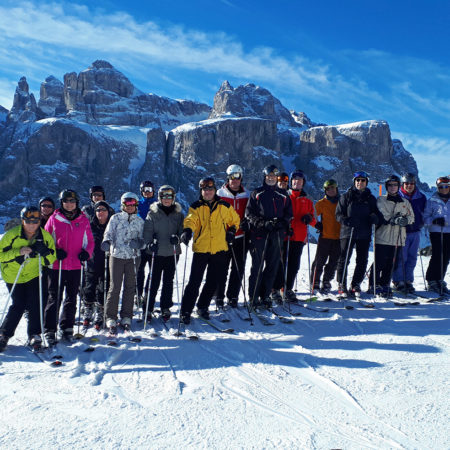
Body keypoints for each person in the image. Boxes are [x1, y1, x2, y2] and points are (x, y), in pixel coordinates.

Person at [179, 177, 240, 323]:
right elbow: (191, 220)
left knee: (213, 281)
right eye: (205, 190)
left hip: (220, 249)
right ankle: (186, 311)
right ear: (201, 191)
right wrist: (187, 230)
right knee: (195, 281)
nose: (208, 192)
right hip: (202, 248)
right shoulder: (196, 206)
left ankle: (203, 306)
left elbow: (235, 220)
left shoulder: (224, 206)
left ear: (214, 190)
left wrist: (232, 231)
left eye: (210, 189)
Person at [0, 206, 56, 352]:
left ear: (39, 221)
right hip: (13, 274)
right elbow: (1, 255)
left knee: (36, 303)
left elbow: (51, 260)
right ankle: (4, 334)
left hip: (33, 274)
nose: (32, 224)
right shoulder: (11, 235)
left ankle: (34, 334)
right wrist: (18, 252)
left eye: (35, 221)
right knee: (19, 304)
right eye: (28, 221)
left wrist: (44, 252)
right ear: (22, 221)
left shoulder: (44, 236)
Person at [43, 190, 94, 344]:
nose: (69, 204)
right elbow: (46, 241)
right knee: (54, 298)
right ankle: (49, 329)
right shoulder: (54, 219)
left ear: (76, 202)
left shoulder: (83, 220)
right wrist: (55, 252)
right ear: (62, 202)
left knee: (71, 298)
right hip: (56, 266)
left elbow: (89, 241)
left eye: (72, 201)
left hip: (75, 265)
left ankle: (67, 327)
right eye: (66, 201)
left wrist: (87, 253)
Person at [245, 165, 293, 308]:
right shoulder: (257, 193)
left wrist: (281, 223)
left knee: (272, 267)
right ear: (265, 177)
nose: (271, 179)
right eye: (268, 176)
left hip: (277, 235)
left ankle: (265, 296)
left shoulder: (283, 195)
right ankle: (253, 297)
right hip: (259, 234)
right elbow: (248, 213)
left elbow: (289, 214)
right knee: (257, 267)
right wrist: (261, 223)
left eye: (273, 176)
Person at [101, 192, 144, 334]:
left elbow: (144, 240)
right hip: (117, 256)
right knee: (115, 287)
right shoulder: (115, 218)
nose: (129, 206)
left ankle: (126, 316)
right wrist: (106, 242)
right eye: (127, 203)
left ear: (136, 205)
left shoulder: (140, 221)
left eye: (132, 203)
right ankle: (110, 317)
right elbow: (108, 233)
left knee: (130, 287)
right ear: (122, 204)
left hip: (133, 257)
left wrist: (139, 243)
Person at [335, 171, 382, 297]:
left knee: (362, 260)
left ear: (366, 182)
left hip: (364, 233)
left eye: (362, 180)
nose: (360, 182)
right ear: (354, 182)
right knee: (344, 258)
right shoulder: (346, 196)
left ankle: (355, 284)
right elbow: (338, 214)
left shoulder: (370, 198)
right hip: (348, 232)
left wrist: (374, 218)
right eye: (357, 180)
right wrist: (346, 220)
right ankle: (341, 284)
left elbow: (376, 214)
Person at [272, 169, 316, 301]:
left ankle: (287, 289)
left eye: (300, 180)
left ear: (303, 182)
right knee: (281, 263)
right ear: (291, 182)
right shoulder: (285, 196)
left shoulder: (307, 199)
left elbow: (313, 217)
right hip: (285, 236)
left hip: (299, 237)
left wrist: (309, 219)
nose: (297, 182)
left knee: (294, 265)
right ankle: (275, 288)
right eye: (295, 180)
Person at [368, 175, 414, 298]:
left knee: (391, 264)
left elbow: (411, 217)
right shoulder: (381, 200)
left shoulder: (405, 202)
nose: (393, 187)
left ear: (398, 186)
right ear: (386, 186)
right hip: (383, 236)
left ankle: (385, 284)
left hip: (398, 238)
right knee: (379, 262)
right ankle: (374, 284)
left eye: (395, 185)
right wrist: (393, 219)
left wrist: (405, 220)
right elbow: (381, 215)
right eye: (390, 185)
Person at [143, 185, 184, 321]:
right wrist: (149, 243)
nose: (167, 199)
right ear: (160, 198)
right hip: (157, 252)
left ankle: (165, 307)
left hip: (172, 252)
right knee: (153, 280)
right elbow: (147, 231)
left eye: (169, 197)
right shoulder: (153, 213)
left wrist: (177, 238)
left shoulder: (178, 214)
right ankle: (147, 308)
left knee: (168, 281)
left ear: (173, 198)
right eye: (164, 197)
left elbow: (181, 231)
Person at [214, 164, 250, 308]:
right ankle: (219, 296)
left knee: (238, 268)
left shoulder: (247, 194)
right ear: (227, 178)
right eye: (232, 177)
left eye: (237, 177)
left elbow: (250, 213)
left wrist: (247, 224)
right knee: (221, 268)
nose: (234, 180)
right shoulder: (219, 194)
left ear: (241, 178)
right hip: (223, 238)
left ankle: (233, 296)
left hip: (241, 238)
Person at [391, 173, 427, 293]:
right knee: (402, 257)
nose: (409, 186)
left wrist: (422, 222)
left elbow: (424, 212)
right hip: (402, 231)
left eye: (412, 183)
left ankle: (408, 281)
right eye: (407, 183)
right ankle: (398, 281)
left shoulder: (421, 197)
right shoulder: (398, 195)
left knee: (412, 258)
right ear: (403, 184)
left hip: (416, 231)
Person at [81, 200, 113, 329]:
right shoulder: (90, 225)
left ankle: (100, 311)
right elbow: (84, 241)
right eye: (98, 210)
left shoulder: (112, 225)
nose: (101, 212)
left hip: (107, 262)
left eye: (103, 210)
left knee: (103, 287)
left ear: (108, 212)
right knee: (89, 287)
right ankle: (88, 309)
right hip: (92, 261)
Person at [311, 179, 341, 294]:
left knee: (333, 262)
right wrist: (317, 224)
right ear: (325, 190)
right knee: (320, 261)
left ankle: (326, 281)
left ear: (336, 189)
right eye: (328, 189)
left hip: (338, 237)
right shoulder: (321, 203)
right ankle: (315, 281)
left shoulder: (341, 202)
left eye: (332, 188)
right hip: (325, 236)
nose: (331, 190)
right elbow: (311, 215)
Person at [423, 176, 450, 295]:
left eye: (446, 186)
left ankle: (440, 279)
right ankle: (431, 280)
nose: (443, 189)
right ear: (438, 188)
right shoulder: (432, 200)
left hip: (449, 232)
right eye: (441, 187)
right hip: (436, 232)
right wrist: (434, 221)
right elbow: (424, 218)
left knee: (446, 257)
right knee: (437, 255)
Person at [136, 180, 157, 302]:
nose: (147, 192)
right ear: (141, 191)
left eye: (149, 190)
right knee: (139, 269)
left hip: (153, 241)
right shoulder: (137, 204)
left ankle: (147, 293)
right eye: (145, 190)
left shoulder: (157, 204)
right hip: (140, 241)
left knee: (153, 270)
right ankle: (138, 294)